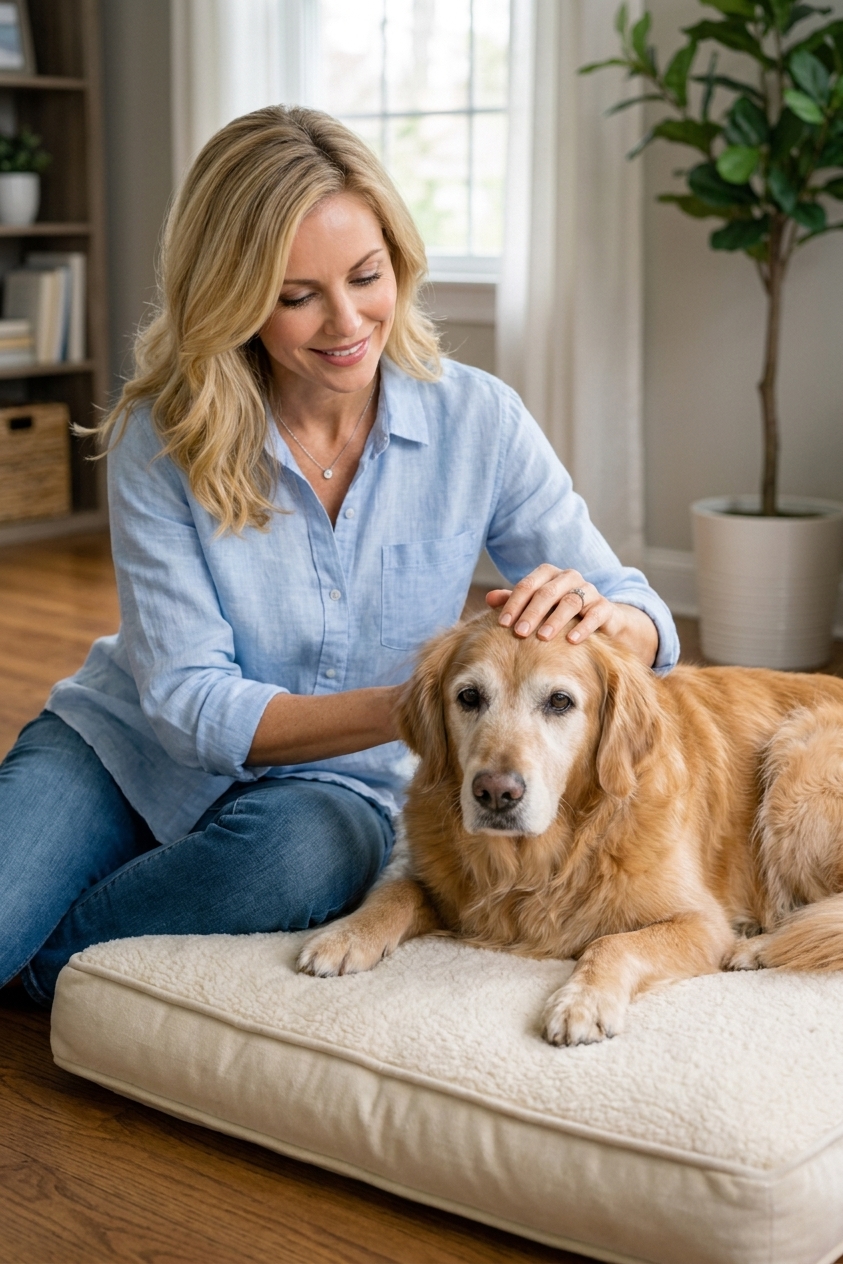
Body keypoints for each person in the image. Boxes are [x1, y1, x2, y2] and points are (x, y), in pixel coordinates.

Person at [0, 106, 678, 1006]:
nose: (347, 321)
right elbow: (187, 705)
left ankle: (46, 966)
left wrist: (603, 617)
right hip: (122, 749)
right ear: (232, 299)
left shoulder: (478, 419)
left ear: (398, 258)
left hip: (331, 792)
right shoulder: (160, 436)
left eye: (367, 275)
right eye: (295, 295)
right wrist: (420, 705)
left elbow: (644, 615)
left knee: (290, 863)